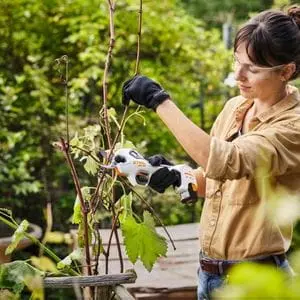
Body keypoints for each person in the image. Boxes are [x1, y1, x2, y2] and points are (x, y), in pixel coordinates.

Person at [122, 5, 300, 300]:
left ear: (286, 71)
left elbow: (228, 160)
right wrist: (176, 176)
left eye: (252, 69)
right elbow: (218, 180)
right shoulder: (235, 108)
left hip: (256, 282)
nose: (238, 75)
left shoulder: (293, 126)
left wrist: (159, 101)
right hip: (209, 276)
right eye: (236, 62)